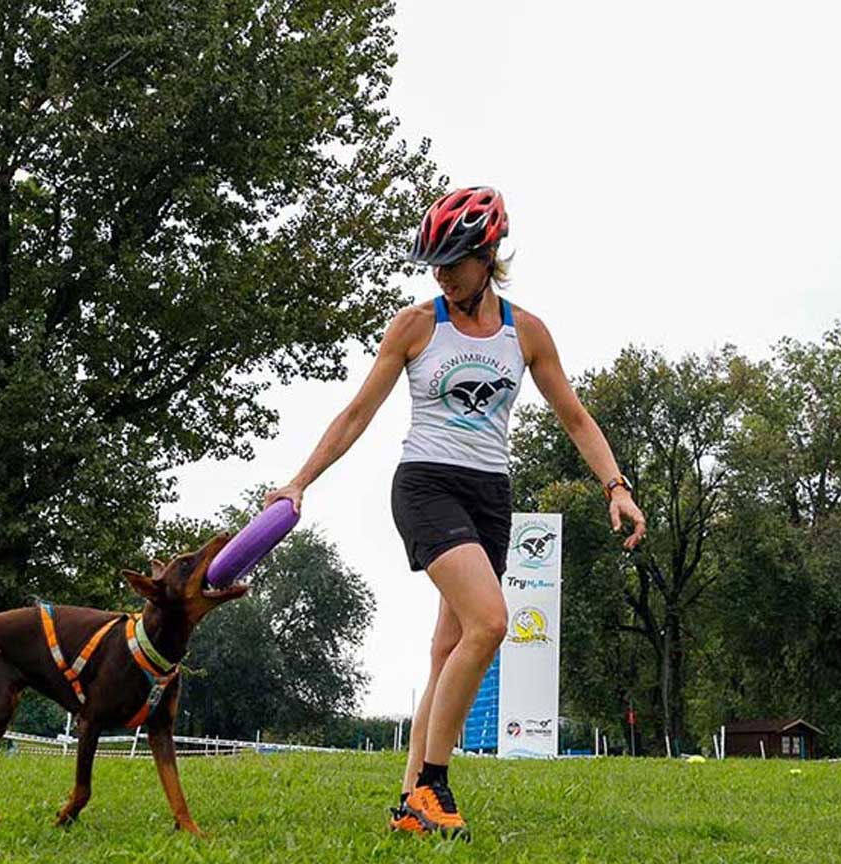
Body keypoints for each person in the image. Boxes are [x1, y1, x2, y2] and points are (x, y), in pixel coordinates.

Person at [265, 186, 646, 839]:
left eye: (451, 260)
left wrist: (616, 486)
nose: (439, 272)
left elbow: (575, 418)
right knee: (492, 622)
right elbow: (357, 413)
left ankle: (408, 802)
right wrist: (299, 482)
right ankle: (433, 789)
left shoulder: (525, 333)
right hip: (425, 485)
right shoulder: (417, 325)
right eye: (433, 261)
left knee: (449, 650)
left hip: (490, 495)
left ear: (487, 254)